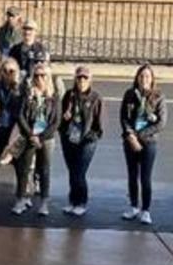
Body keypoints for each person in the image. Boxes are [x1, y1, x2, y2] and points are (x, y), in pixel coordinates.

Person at [8, 63, 60, 217]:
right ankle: (21, 199)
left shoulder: (54, 96)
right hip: (29, 134)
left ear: (48, 77)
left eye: (43, 75)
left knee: (44, 169)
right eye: (36, 75)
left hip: (46, 137)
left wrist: (41, 137)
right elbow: (21, 115)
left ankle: (44, 202)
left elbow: (56, 121)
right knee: (24, 168)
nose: (39, 78)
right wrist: (31, 134)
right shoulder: (28, 94)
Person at [120, 64, 166, 225]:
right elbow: (124, 117)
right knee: (132, 175)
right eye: (141, 76)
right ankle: (133, 206)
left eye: (147, 76)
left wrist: (140, 136)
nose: (144, 79)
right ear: (137, 78)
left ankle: (146, 210)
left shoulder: (158, 97)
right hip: (130, 141)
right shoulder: (130, 94)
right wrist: (130, 135)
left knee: (145, 177)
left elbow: (161, 122)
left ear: (152, 79)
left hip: (148, 142)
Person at [60, 65, 104, 217]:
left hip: (86, 141)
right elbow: (62, 117)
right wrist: (64, 120)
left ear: (90, 80)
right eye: (79, 77)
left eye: (85, 78)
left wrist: (92, 136)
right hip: (70, 138)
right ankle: (72, 200)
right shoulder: (69, 95)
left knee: (79, 172)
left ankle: (81, 202)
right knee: (72, 171)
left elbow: (99, 124)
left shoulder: (95, 98)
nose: (82, 80)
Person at [0, 58, 23, 207]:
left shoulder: (20, 89)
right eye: (5, 71)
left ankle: (21, 194)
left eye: (12, 71)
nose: (8, 74)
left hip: (15, 128)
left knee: (18, 161)